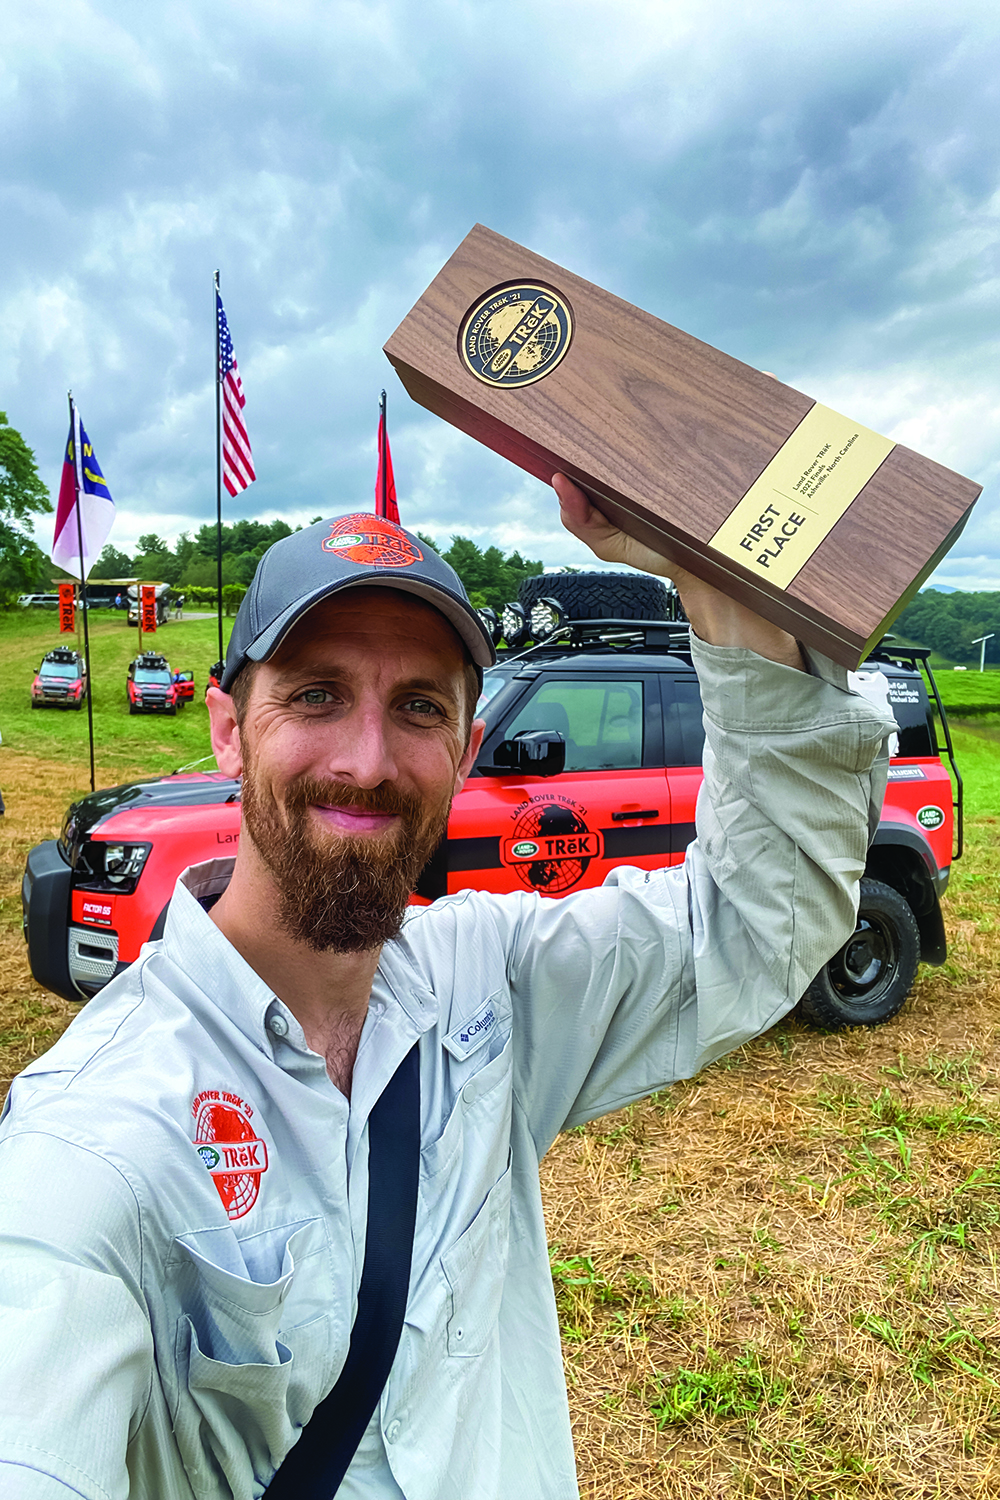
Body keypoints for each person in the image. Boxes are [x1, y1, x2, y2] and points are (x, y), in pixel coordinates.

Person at [0, 478, 894, 1499]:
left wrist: (719, 590)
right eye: (315, 694)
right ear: (227, 728)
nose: (368, 761)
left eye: (418, 706)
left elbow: (754, 920)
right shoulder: (94, 1136)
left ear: (466, 751)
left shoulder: (488, 986)